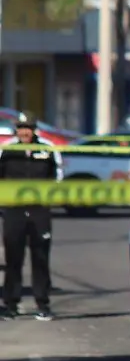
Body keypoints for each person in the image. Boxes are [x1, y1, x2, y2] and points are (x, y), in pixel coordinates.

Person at [0, 113, 63, 321]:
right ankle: (10, 304)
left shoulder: (47, 148)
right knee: (13, 258)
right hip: (14, 210)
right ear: (16, 130)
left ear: (34, 129)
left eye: (28, 127)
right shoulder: (7, 149)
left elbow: (57, 178)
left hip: (39, 211)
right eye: (21, 128)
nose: (24, 132)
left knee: (41, 257)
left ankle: (42, 304)